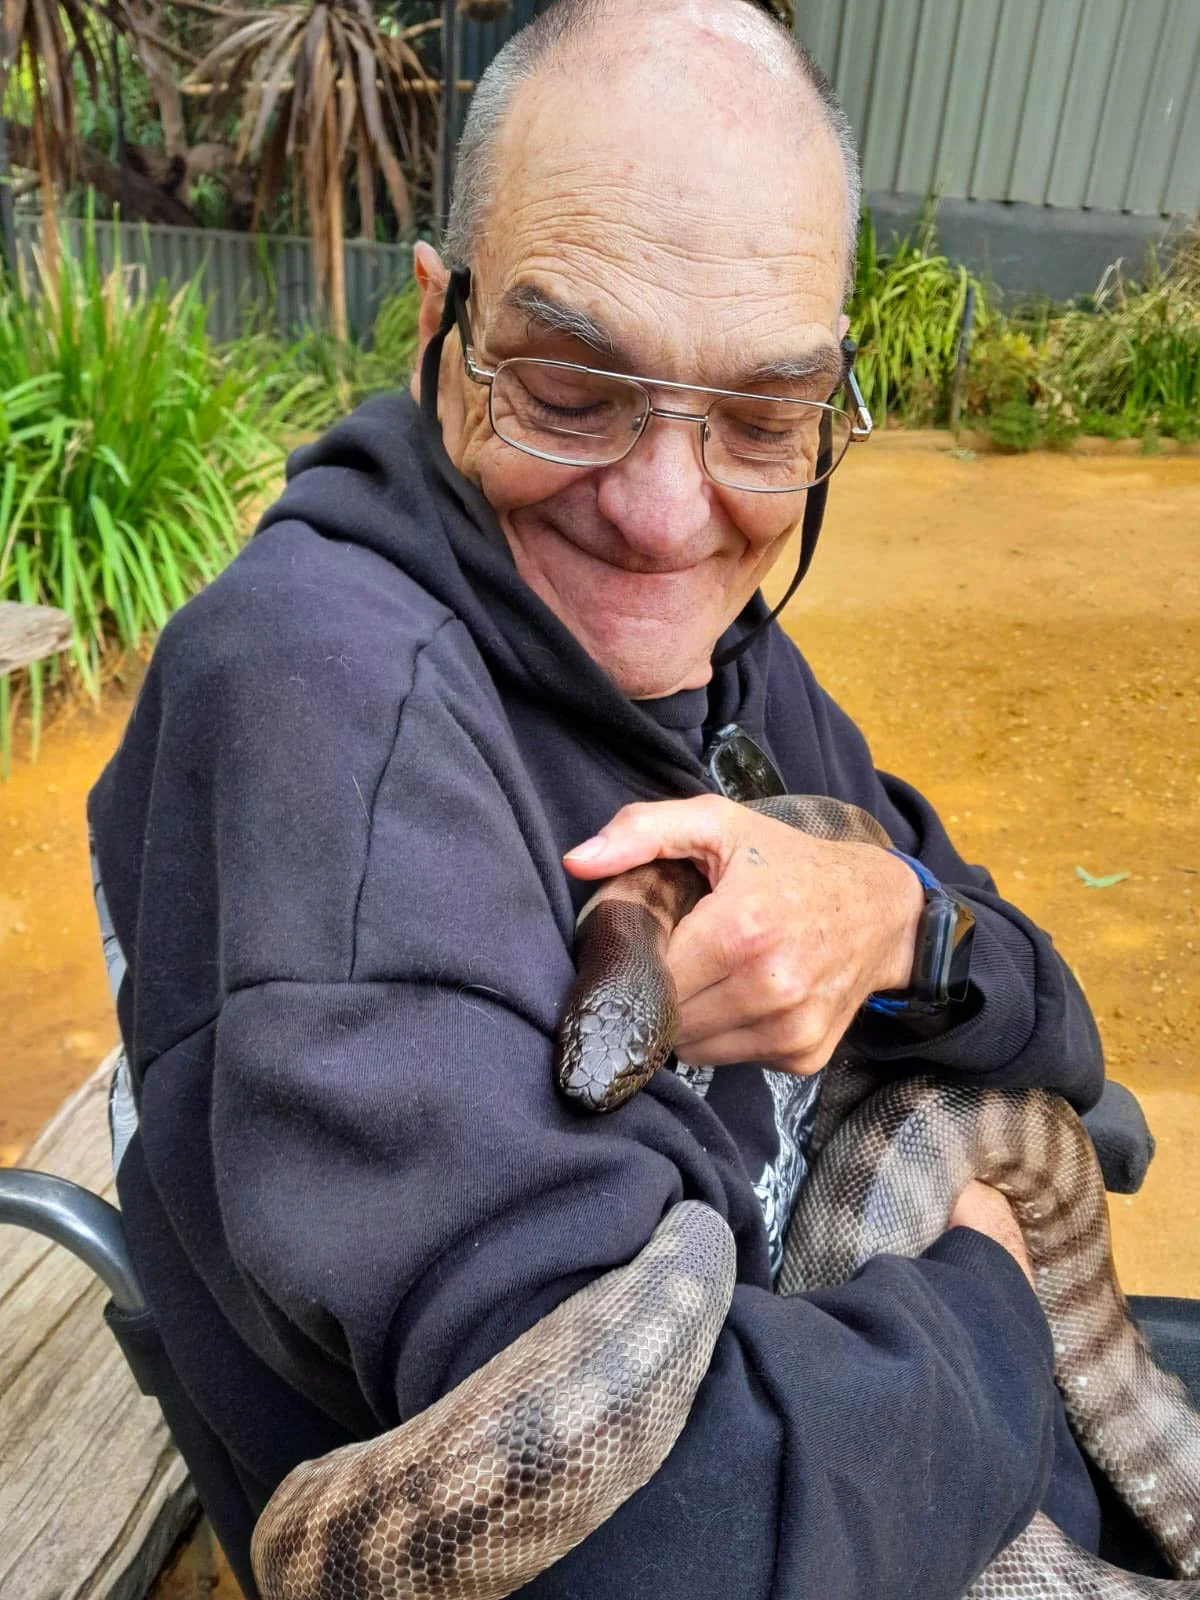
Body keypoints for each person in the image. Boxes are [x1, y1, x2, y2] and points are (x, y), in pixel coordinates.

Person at [89, 1, 1110, 1594]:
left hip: (846, 1398)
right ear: (439, 321)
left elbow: (1068, 1056)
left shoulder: (729, 676)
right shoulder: (326, 714)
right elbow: (651, 1552)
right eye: (570, 387)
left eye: (763, 421)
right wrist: (988, 1291)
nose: (659, 514)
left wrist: (900, 921)